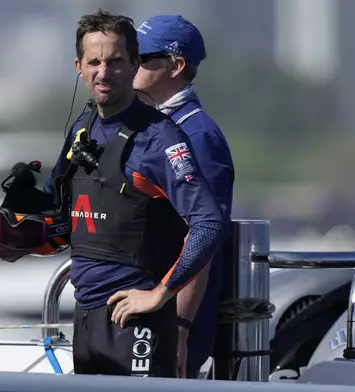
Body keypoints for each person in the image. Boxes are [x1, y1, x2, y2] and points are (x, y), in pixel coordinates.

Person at [0, 9, 228, 378]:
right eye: (94, 62)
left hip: (137, 321)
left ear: (133, 65)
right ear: (79, 67)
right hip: (85, 315)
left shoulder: (162, 138)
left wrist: (162, 296)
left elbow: (210, 224)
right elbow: (67, 215)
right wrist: (19, 235)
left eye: (116, 61)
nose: (104, 72)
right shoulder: (82, 129)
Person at [133, 15, 235, 378]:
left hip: (170, 322)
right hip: (145, 311)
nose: (130, 65)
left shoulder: (198, 135)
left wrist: (180, 328)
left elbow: (202, 234)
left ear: (176, 66)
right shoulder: (151, 126)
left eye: (141, 57)